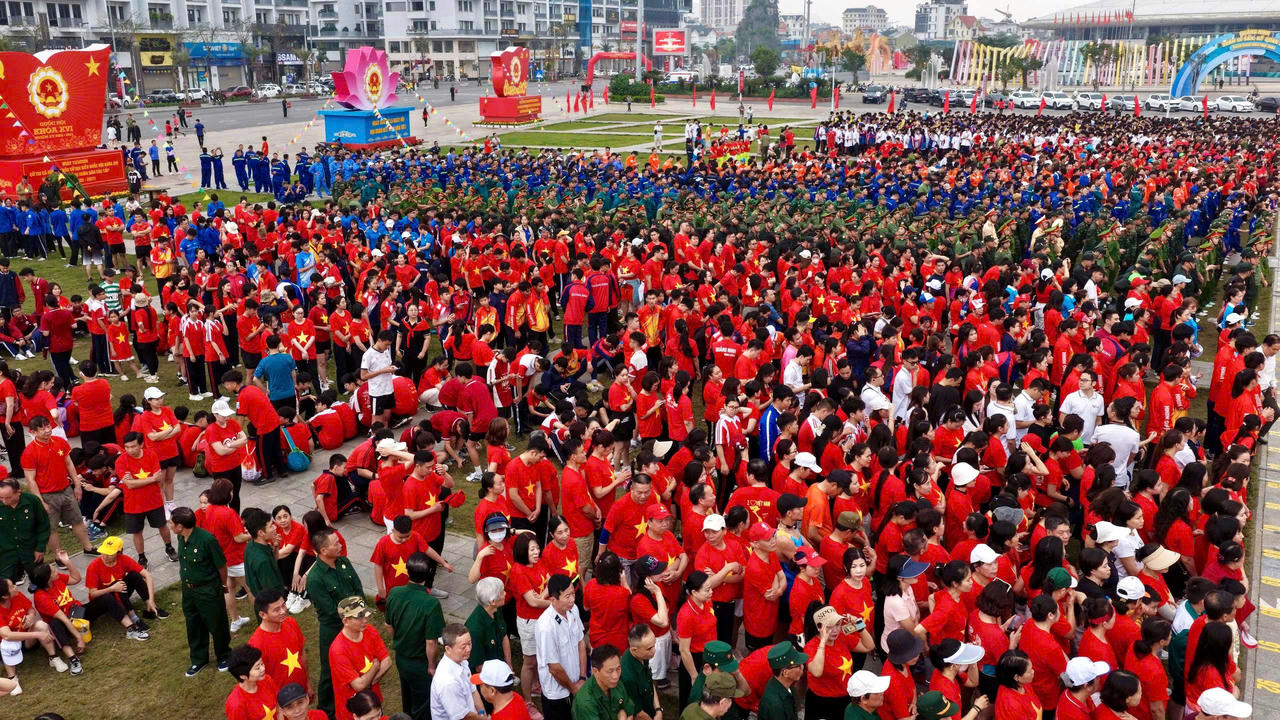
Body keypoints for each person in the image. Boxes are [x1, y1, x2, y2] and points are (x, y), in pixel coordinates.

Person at [170, 505, 232, 677]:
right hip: (189, 591)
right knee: (193, 623)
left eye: (171, 523)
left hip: (208, 590)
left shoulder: (207, 540)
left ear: (180, 526)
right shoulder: (182, 538)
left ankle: (224, 655)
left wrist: (223, 585)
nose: (170, 525)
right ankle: (199, 659)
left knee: (216, 623)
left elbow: (221, 565)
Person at [385, 552, 446, 720]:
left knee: (408, 699)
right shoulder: (431, 603)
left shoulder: (394, 593)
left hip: (401, 657)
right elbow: (431, 642)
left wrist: (401, 640)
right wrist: (432, 666)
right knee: (423, 705)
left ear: (407, 571)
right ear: (428, 575)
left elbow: (388, 625)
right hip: (420, 663)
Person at [329, 596, 392, 720]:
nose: (365, 620)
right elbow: (359, 686)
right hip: (353, 712)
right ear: (345, 621)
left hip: (373, 705)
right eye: (359, 617)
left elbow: (387, 661)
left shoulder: (370, 631)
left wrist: (370, 681)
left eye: (366, 615)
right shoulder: (338, 650)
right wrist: (375, 667)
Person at [534, 573, 584, 720]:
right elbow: (554, 668)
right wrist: (574, 688)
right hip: (557, 694)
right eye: (567, 597)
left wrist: (582, 677)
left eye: (573, 594)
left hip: (576, 684)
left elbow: (581, 642)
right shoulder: (546, 627)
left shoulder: (573, 610)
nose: (572, 600)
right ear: (553, 600)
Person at [431, 622, 485, 720]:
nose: (468, 649)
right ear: (448, 649)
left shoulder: (461, 660)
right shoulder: (448, 682)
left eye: (470, 643)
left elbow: (473, 692)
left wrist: (482, 713)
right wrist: (482, 719)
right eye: (463, 646)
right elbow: (463, 717)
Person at [0, 476, 50, 584]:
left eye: (7, 497)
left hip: (30, 551)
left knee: (41, 581)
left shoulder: (32, 501)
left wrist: (40, 547)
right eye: (1, 498)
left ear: (18, 492)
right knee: (5, 586)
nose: (4, 501)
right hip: (6, 554)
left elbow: (43, 525)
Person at [571, 644, 629, 720]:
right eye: (610, 671)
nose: (615, 676)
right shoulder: (585, 702)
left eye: (618, 669)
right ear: (595, 671)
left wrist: (623, 712)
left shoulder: (614, 682)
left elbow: (629, 707)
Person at [224, 644, 281, 720]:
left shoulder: (267, 679)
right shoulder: (236, 705)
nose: (263, 668)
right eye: (257, 667)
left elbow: (279, 707)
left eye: (261, 663)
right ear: (242, 676)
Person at [757, 642, 806, 720]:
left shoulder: (784, 685)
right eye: (798, 666)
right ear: (785, 673)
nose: (802, 667)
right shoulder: (776, 705)